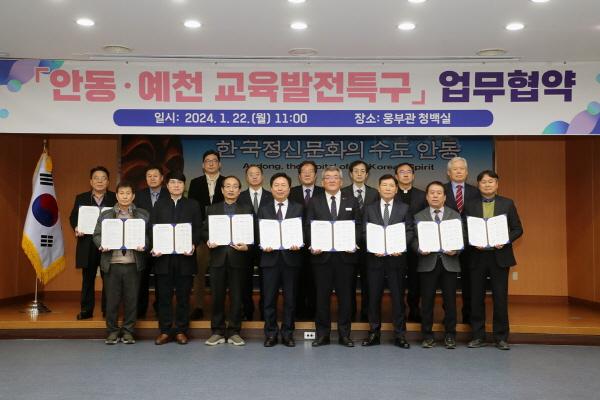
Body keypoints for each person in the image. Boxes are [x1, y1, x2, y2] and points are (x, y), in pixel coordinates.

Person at [465, 170, 523, 350]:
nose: (487, 185)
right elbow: (464, 230)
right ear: (478, 185)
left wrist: (504, 240)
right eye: (484, 182)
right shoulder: (469, 205)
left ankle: (501, 337)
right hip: (477, 256)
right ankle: (477, 336)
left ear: (497, 184)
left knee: (500, 297)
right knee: (476, 298)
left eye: (491, 182)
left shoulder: (507, 203)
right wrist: (473, 242)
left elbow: (517, 229)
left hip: (500, 257)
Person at [306, 166, 362, 347]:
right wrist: (312, 244)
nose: (331, 180)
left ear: (341, 181)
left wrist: (354, 242)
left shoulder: (352, 200)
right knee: (321, 297)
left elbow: (358, 227)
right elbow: (308, 227)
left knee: (345, 297)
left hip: (345, 258)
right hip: (321, 258)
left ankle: (345, 334)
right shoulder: (314, 202)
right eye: (328, 178)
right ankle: (322, 334)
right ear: (322, 182)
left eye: (335, 177)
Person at [93, 181, 149, 344]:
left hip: (133, 263)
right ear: (116, 195)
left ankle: (128, 331)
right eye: (121, 193)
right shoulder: (106, 215)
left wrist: (144, 245)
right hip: (112, 263)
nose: (125, 196)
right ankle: (112, 331)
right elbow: (96, 235)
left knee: (132, 300)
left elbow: (147, 236)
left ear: (133, 196)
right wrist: (101, 244)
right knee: (112, 300)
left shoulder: (142, 214)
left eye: (128, 193)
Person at [361, 174, 413, 348]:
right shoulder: (369, 208)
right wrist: (373, 246)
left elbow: (410, 231)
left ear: (396, 189)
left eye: (391, 185)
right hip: (374, 261)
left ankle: (400, 335)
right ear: (379, 188)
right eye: (385, 185)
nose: (388, 188)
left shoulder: (404, 208)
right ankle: (374, 333)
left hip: (396, 261)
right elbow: (363, 232)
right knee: (373, 298)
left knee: (398, 299)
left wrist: (400, 246)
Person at [151, 171, 202, 345]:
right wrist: (155, 246)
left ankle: (181, 330)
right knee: (164, 297)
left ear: (184, 186)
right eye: (173, 182)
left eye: (180, 183)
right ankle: (165, 331)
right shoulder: (159, 205)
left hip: (185, 258)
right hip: (163, 258)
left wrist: (193, 244)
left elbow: (198, 229)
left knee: (183, 296)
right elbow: (153, 228)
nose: (176, 185)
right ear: (167, 185)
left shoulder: (193, 205)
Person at [203, 176, 254, 346]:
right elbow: (204, 231)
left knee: (237, 297)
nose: (231, 189)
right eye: (228, 186)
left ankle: (234, 331)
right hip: (217, 258)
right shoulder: (212, 209)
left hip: (238, 259)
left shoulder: (247, 209)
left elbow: (254, 234)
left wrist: (247, 246)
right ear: (222, 190)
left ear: (239, 191)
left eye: (235, 186)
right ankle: (217, 331)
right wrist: (208, 240)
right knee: (217, 296)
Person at [413, 181, 463, 349]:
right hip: (428, 263)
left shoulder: (454, 215)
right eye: (432, 193)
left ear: (445, 197)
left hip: (449, 263)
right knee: (426, 302)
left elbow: (462, 237)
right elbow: (412, 238)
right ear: (427, 197)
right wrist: (418, 248)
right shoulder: (419, 216)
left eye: (438, 193)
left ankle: (450, 335)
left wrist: (456, 249)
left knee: (450, 302)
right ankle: (427, 335)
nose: (435, 195)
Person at [257, 173, 304, 347]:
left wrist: (299, 243)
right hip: (270, 259)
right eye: (276, 185)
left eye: (283, 185)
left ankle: (287, 333)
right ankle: (270, 333)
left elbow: (304, 231)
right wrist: (264, 244)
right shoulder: (264, 208)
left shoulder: (298, 208)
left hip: (291, 259)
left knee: (290, 299)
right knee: (269, 299)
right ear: (271, 188)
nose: (280, 188)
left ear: (289, 188)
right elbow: (259, 232)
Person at [69, 166, 116, 320]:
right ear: (90, 181)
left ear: (108, 182)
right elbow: (73, 217)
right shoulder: (81, 198)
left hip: (107, 244)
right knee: (87, 279)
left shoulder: (115, 199)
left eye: (103, 178)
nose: (100, 181)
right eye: (96, 178)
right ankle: (86, 310)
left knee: (108, 279)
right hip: (87, 243)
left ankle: (107, 310)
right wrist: (77, 227)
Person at [187, 150, 225, 320]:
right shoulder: (195, 183)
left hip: (223, 235)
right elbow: (193, 210)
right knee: (199, 272)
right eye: (207, 161)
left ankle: (221, 307)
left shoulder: (227, 182)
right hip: (202, 235)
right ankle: (199, 306)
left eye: (214, 160)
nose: (211, 163)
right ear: (203, 165)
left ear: (219, 164)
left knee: (222, 273)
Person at [342, 160, 379, 322]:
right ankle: (349, 313)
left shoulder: (374, 193)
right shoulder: (342, 193)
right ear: (350, 174)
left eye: (362, 171)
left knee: (368, 282)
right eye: (355, 171)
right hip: (347, 246)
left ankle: (366, 313)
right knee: (348, 282)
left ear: (367, 174)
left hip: (369, 246)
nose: (359, 173)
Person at [444, 156, 479, 324]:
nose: (459, 171)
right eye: (455, 169)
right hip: (446, 244)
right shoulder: (440, 191)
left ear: (467, 172)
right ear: (449, 173)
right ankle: (448, 317)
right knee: (447, 285)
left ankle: (468, 316)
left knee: (470, 283)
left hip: (471, 245)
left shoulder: (476, 191)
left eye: (462, 169)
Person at [238, 164, 273, 321]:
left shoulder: (271, 195)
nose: (254, 176)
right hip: (244, 246)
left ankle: (265, 311)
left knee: (267, 281)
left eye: (257, 173)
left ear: (262, 176)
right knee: (244, 280)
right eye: (250, 174)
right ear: (246, 178)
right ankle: (247, 310)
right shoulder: (239, 196)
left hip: (267, 246)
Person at [289, 160, 323, 320]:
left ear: (316, 175)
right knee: (297, 281)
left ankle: (315, 312)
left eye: (311, 171)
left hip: (319, 247)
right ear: (299, 175)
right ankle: (298, 312)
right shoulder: (291, 192)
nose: (307, 174)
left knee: (316, 281)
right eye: (304, 171)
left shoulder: (324, 193)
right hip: (295, 246)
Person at [394, 162, 427, 322]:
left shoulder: (422, 196)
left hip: (417, 244)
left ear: (413, 176)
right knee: (397, 279)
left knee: (415, 279)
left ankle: (414, 308)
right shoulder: (390, 194)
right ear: (396, 176)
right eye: (402, 172)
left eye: (409, 172)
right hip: (395, 245)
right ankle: (399, 309)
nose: (406, 174)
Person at [134, 164, 167, 318]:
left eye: (155, 176)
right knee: (142, 280)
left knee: (162, 281)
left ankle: (160, 309)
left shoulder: (169, 194)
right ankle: (140, 310)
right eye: (149, 176)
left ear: (162, 178)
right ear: (146, 179)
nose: (152, 178)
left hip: (163, 244)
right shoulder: (138, 196)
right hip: (143, 244)